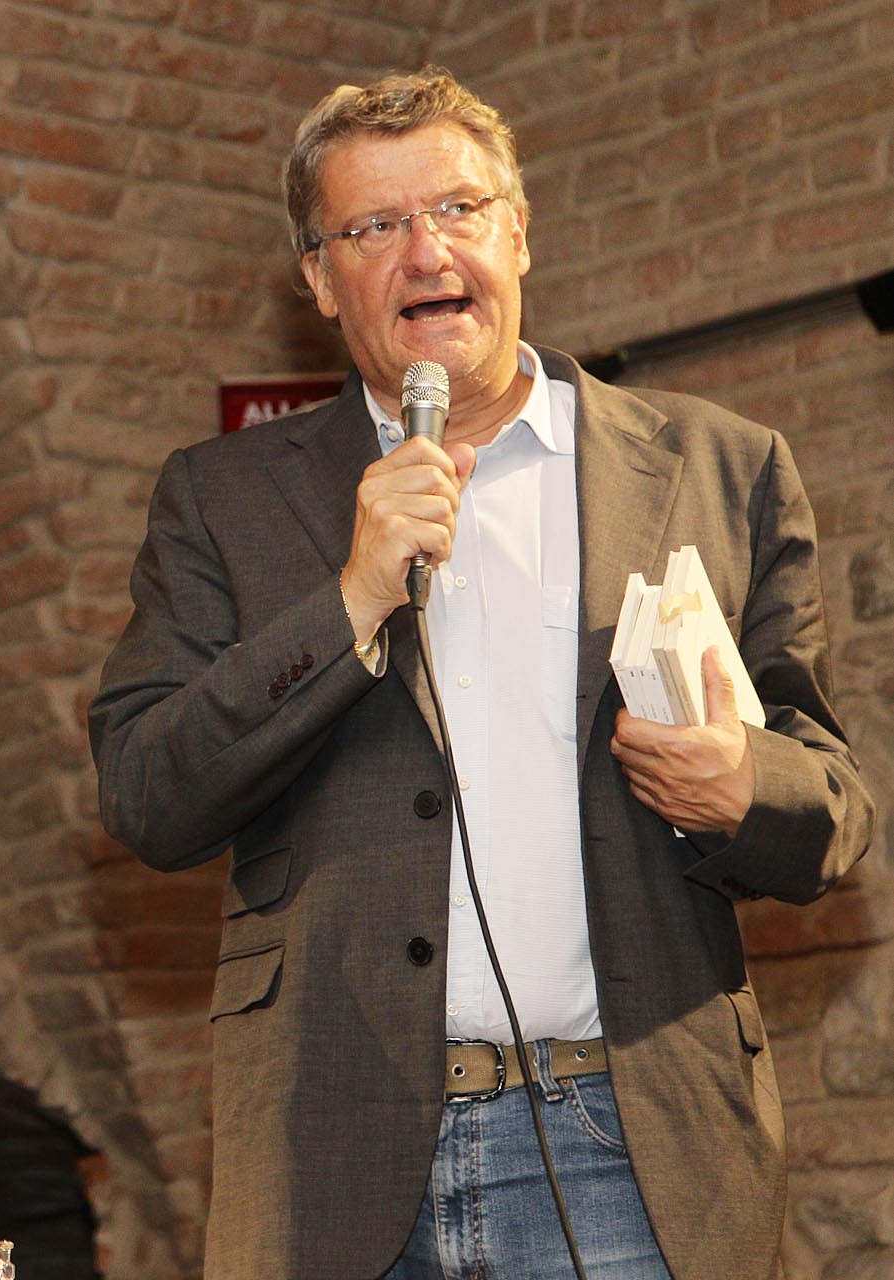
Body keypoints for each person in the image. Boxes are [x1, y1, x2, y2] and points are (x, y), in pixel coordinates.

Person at [87, 68, 874, 1280]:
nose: (424, 251)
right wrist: (350, 596)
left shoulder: (717, 468)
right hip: (331, 1160)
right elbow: (148, 791)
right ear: (317, 277)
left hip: (626, 1146)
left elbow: (830, 812)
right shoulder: (224, 497)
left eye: (456, 210)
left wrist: (737, 784)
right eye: (374, 226)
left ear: (517, 233)